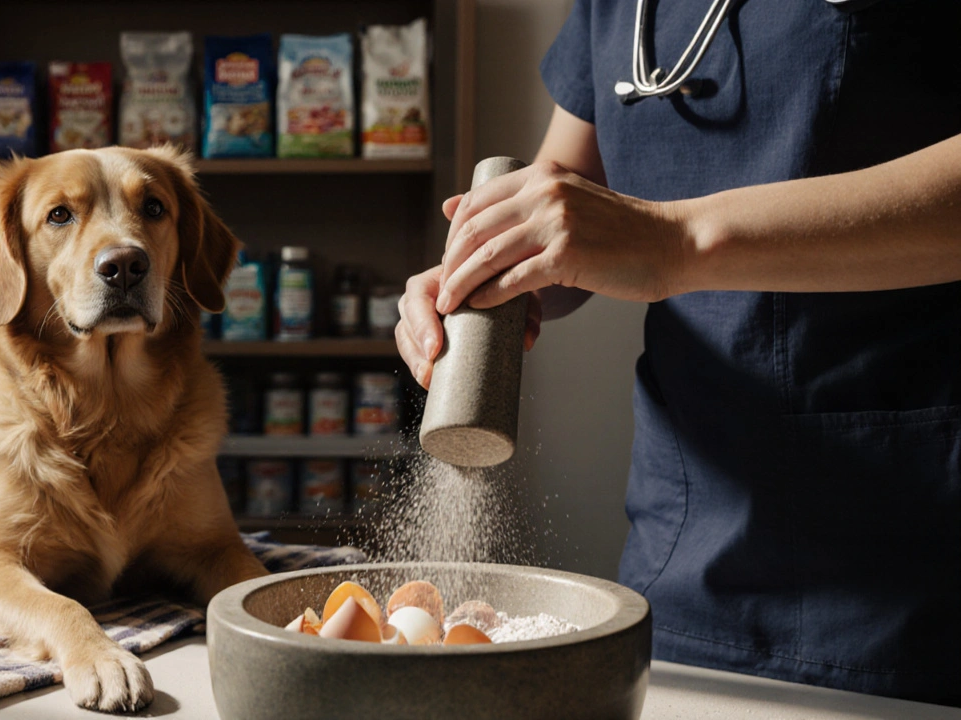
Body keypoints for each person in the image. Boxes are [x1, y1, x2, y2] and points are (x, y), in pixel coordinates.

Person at [396, 0, 961, 706]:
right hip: (686, 550)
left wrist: (678, 240)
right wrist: (496, 267)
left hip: (915, 553)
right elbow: (574, 194)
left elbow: (652, 238)